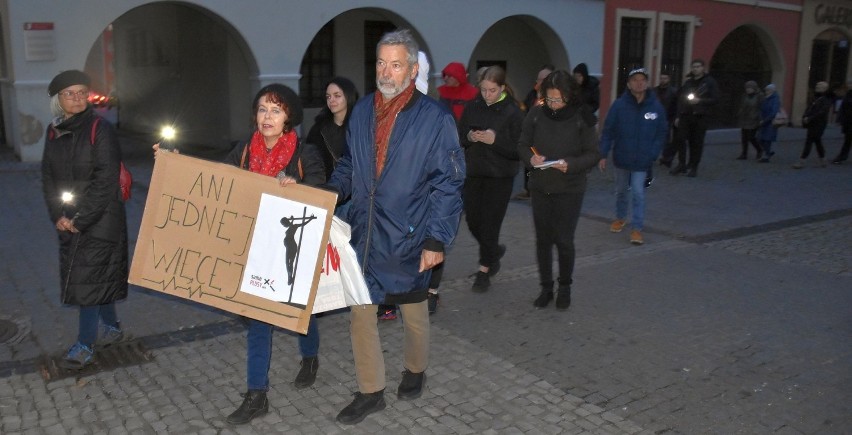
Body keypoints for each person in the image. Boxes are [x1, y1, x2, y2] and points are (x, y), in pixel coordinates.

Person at [327, 29, 464, 425]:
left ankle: (415, 369)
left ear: (413, 69)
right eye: (381, 63)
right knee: (361, 311)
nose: (386, 72)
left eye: (396, 64)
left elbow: (448, 183)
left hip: (410, 232)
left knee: (414, 312)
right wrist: (330, 194)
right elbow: (350, 167)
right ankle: (371, 391)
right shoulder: (363, 110)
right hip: (366, 231)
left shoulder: (434, 119)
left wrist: (437, 239)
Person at [221, 84, 326, 424]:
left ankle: (309, 357)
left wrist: (302, 188)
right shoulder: (242, 151)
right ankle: (257, 395)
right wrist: (172, 163)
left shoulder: (303, 153)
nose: (267, 117)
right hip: (254, 247)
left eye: (275, 110)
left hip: (290, 248)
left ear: (288, 117)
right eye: (263, 109)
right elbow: (216, 181)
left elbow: (323, 190)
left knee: (298, 312)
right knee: (259, 321)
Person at [41, 70, 128, 369]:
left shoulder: (99, 128)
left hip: (101, 218)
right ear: (57, 100)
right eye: (69, 93)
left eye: (81, 92)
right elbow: (48, 177)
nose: (77, 98)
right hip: (71, 219)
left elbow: (105, 179)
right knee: (95, 275)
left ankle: (85, 344)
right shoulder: (53, 131)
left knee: (87, 280)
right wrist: (58, 215)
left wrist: (80, 219)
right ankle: (112, 327)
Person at [517, 70, 599, 311]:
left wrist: (570, 164)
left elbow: (594, 154)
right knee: (543, 240)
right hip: (541, 187)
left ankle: (565, 286)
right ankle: (545, 287)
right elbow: (523, 144)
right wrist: (531, 158)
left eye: (558, 100)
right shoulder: (536, 113)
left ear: (569, 96)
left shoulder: (582, 117)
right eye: (549, 99)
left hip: (569, 189)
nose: (553, 104)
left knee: (564, 240)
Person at [458, 65, 523, 293]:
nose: (487, 95)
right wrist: (469, 136)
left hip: (500, 176)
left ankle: (485, 270)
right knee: (473, 221)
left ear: (502, 88)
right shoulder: (473, 106)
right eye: (484, 90)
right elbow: (460, 135)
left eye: (492, 90)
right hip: (475, 172)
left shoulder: (512, 111)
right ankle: (494, 251)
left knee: (490, 224)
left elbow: (519, 150)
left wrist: (494, 140)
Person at [598, 68, 668, 246]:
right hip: (622, 157)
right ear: (629, 84)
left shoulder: (655, 106)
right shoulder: (619, 106)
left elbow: (662, 132)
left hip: (643, 160)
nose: (639, 83)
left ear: (647, 83)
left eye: (642, 80)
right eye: (635, 80)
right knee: (621, 190)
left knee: (638, 192)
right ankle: (620, 217)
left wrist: (654, 152)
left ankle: (637, 228)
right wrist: (603, 154)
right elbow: (608, 131)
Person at [671, 59, 719, 177]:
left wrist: (700, 101)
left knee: (696, 142)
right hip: (686, 115)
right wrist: (678, 115)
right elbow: (681, 99)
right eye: (694, 67)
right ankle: (681, 164)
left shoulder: (709, 82)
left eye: (698, 66)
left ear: (703, 68)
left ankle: (693, 166)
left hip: (701, 116)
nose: (695, 69)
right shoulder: (688, 83)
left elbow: (716, 99)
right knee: (680, 139)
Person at [305, 77, 359, 180]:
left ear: (349, 96)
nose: (331, 100)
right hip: (326, 187)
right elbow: (309, 162)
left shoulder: (361, 127)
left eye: (337, 96)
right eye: (328, 97)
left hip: (357, 190)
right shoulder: (318, 129)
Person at [516, 64, 555, 200]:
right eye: (539, 79)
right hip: (531, 139)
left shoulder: (556, 100)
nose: (540, 82)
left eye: (544, 79)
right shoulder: (532, 94)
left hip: (548, 143)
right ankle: (530, 190)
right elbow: (525, 111)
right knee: (530, 165)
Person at [793, 81, 832, 169]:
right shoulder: (815, 98)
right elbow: (809, 108)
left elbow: (821, 112)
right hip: (812, 123)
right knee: (817, 141)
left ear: (825, 89)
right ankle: (823, 159)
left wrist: (810, 118)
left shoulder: (826, 100)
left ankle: (802, 160)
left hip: (819, 124)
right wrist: (805, 116)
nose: (817, 87)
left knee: (809, 141)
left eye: (820, 86)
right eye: (817, 85)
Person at [736, 81, 764, 160]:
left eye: (750, 88)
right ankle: (744, 153)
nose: (748, 90)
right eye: (747, 88)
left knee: (751, 137)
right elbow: (742, 105)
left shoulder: (760, 96)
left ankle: (759, 150)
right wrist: (740, 112)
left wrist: (760, 118)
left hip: (754, 118)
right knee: (744, 137)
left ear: (754, 88)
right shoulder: (744, 96)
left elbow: (762, 107)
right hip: (745, 118)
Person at [758, 83, 781, 163]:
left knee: (767, 140)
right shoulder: (767, 98)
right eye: (766, 90)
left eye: (768, 90)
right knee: (760, 139)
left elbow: (774, 112)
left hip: (770, 122)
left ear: (772, 90)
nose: (766, 91)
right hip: (765, 121)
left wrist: (765, 121)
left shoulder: (775, 99)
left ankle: (766, 155)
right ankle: (767, 153)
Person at [833, 81, 852, 164]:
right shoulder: (848, 95)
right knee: (847, 140)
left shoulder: (848, 95)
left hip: (849, 121)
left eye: (850, 84)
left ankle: (842, 156)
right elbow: (843, 108)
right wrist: (840, 119)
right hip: (848, 121)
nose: (848, 86)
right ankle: (842, 156)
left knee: (848, 140)